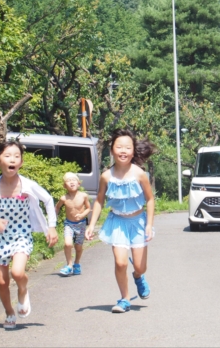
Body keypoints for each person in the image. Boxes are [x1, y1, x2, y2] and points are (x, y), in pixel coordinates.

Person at [0, 140, 58, 329]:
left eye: (16, 156)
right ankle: (9, 313)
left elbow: (48, 200)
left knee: (17, 272)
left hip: (22, 235)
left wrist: (52, 226)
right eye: (7, 156)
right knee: (1, 281)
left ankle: (23, 289)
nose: (12, 159)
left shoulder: (28, 184)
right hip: (1, 238)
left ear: (21, 163)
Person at [85, 128, 156, 313]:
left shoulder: (140, 174)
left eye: (127, 147)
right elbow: (99, 200)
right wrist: (91, 224)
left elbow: (150, 199)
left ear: (133, 150)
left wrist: (149, 224)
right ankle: (124, 299)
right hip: (117, 222)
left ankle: (138, 277)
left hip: (138, 222)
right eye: (119, 147)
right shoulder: (106, 176)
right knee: (120, 262)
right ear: (112, 150)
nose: (123, 151)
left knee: (140, 267)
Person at [55, 172, 91, 276]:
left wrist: (82, 215)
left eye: (73, 180)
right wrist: (54, 219)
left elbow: (88, 208)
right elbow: (57, 207)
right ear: (64, 185)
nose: (71, 182)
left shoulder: (83, 196)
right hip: (69, 224)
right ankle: (69, 265)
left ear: (78, 183)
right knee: (67, 244)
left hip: (81, 224)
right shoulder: (63, 198)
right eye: (68, 181)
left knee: (78, 247)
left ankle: (77, 264)